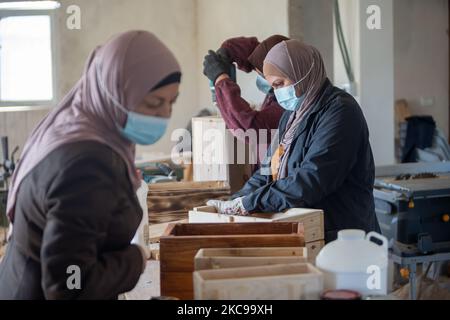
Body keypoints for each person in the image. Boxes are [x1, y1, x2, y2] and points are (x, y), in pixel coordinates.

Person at [0, 30, 181, 299]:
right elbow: (70, 286)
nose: (165, 115)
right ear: (115, 92)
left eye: (171, 102)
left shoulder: (72, 127)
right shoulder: (87, 166)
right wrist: (136, 259)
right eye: (154, 103)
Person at [207, 40, 380, 242]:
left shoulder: (340, 111)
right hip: (309, 231)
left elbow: (312, 178)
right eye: (273, 87)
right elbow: (267, 171)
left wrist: (252, 202)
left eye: (280, 84)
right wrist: (236, 200)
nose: (278, 93)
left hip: (343, 235)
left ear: (302, 73)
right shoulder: (291, 116)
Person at [202, 35, 288, 162]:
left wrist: (220, 79)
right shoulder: (278, 87)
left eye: (260, 74)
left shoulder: (287, 104)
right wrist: (228, 50)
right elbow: (257, 52)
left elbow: (248, 128)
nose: (260, 77)